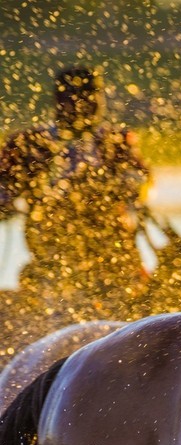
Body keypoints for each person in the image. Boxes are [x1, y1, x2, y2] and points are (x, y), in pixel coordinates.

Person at [0, 66, 151, 314]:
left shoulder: (116, 141)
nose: (87, 104)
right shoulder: (29, 143)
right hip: (52, 256)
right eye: (77, 96)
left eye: (94, 95)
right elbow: (3, 190)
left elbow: (141, 182)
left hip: (116, 258)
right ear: (58, 100)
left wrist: (118, 187)